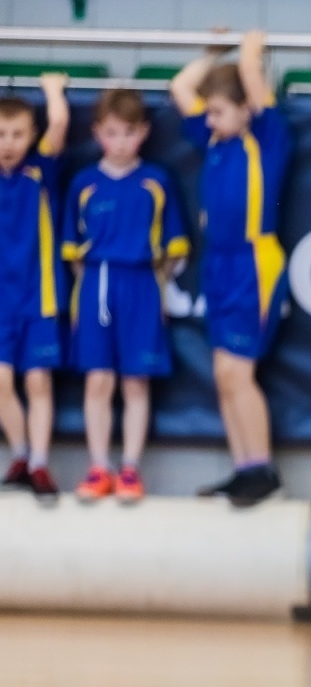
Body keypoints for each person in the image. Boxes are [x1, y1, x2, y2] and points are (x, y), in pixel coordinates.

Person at [170, 29, 293, 508]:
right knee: (224, 374)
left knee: (236, 371)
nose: (211, 119)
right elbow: (182, 89)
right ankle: (244, 467)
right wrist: (209, 54)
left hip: (252, 263)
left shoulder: (266, 139)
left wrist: (249, 52)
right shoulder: (216, 140)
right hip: (217, 264)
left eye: (220, 110)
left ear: (247, 108)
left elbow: (252, 83)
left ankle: (263, 468)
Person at [63, 89, 189, 505]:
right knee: (99, 380)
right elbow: (71, 252)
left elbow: (174, 248)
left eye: (129, 133)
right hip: (97, 284)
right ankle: (99, 467)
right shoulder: (84, 183)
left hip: (142, 286)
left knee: (136, 382)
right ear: (97, 133)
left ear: (144, 133)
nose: (120, 142)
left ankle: (130, 469)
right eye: (111, 133)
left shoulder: (157, 181)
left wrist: (156, 288)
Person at [0, 73, 69, 503]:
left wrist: (52, 92)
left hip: (39, 295)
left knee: (38, 381)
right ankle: (20, 455)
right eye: (1, 134)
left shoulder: (41, 169)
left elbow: (60, 124)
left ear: (32, 135)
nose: (7, 142)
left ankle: (41, 463)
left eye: (17, 134)